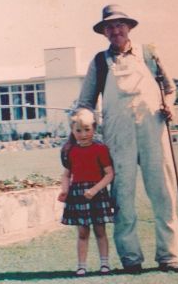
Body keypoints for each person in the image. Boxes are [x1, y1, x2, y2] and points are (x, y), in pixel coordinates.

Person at [77, 4, 178, 273]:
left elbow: (170, 90)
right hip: (117, 137)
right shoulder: (100, 62)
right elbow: (86, 102)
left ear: (130, 27)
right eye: (110, 27)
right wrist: (85, 120)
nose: (116, 30)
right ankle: (131, 258)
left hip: (153, 133)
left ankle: (169, 256)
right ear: (104, 32)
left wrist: (169, 105)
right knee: (122, 198)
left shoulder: (149, 56)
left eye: (120, 25)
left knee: (163, 195)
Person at [57, 108, 115, 277]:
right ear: (73, 131)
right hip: (78, 195)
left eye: (87, 130)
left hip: (97, 194)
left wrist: (95, 189)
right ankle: (81, 266)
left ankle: (105, 264)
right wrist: (65, 190)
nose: (83, 134)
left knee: (100, 231)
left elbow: (109, 174)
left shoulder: (100, 149)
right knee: (82, 232)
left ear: (94, 128)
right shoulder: (71, 151)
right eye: (78, 130)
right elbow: (67, 174)